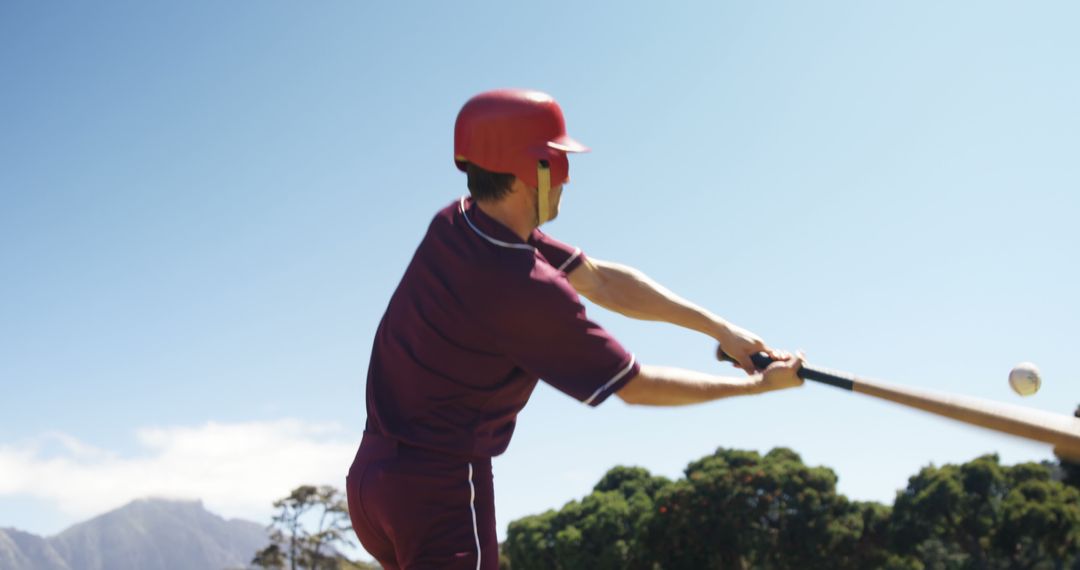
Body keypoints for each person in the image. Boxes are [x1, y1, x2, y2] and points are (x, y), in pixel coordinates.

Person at [346, 88, 804, 569]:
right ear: (537, 171)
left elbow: (601, 279)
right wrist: (755, 389)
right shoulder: (523, 286)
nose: (568, 178)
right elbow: (637, 386)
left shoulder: (461, 222)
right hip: (438, 486)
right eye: (560, 161)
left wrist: (721, 330)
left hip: (372, 481)